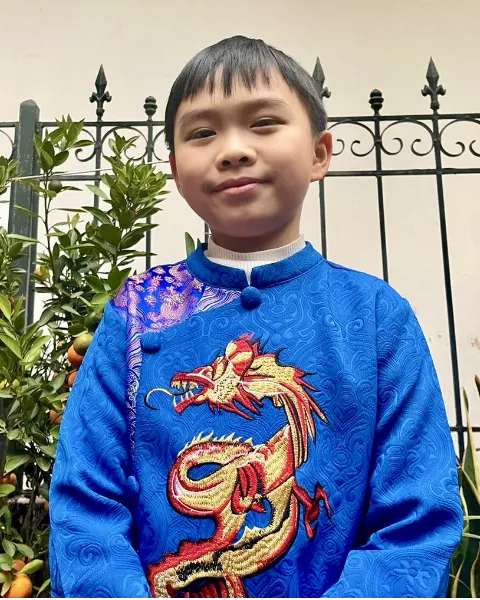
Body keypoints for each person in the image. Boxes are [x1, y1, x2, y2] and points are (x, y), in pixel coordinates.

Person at [49, 35, 463, 598]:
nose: (233, 149)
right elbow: (84, 504)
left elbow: (418, 519)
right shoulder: (139, 309)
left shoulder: (375, 315)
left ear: (319, 153)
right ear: (175, 168)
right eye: (202, 133)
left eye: (264, 123)